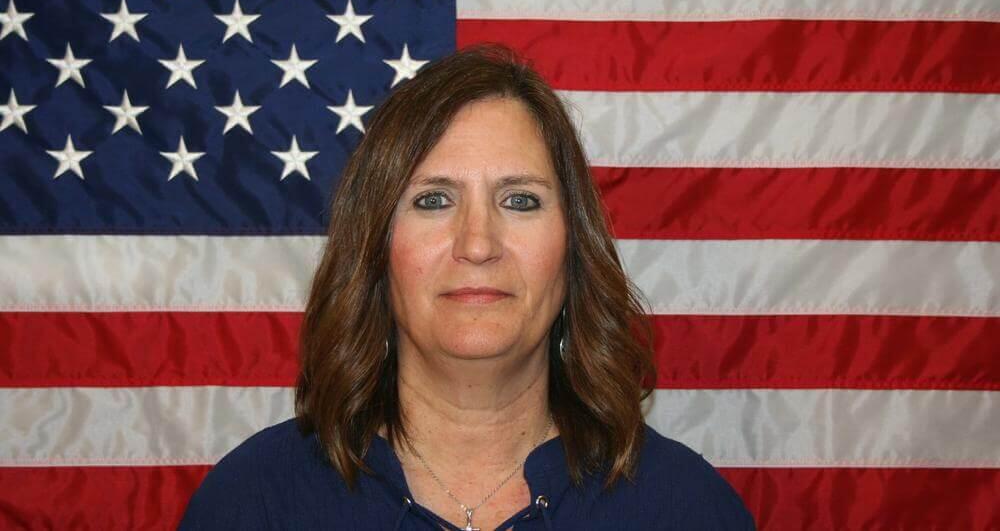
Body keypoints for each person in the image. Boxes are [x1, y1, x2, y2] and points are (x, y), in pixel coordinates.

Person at [179, 46, 754, 530]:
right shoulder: (253, 505)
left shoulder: (688, 509)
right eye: (433, 200)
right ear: (375, 251)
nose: (478, 244)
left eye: (520, 200)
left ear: (572, 249)